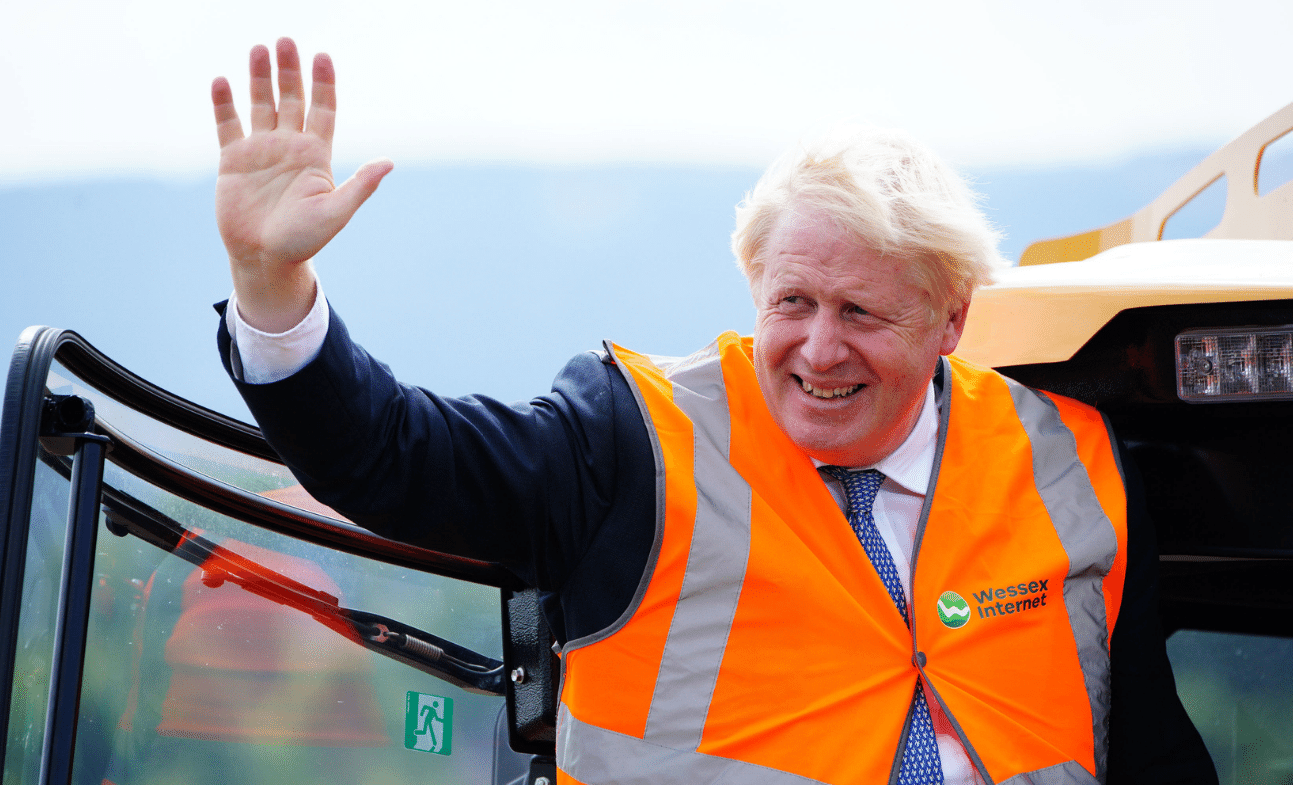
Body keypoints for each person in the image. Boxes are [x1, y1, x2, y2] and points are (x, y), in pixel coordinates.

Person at [211, 38, 1217, 785]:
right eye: (791, 302)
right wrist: (272, 287)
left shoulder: (1069, 462)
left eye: (861, 313)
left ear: (950, 319)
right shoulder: (629, 440)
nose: (818, 349)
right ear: (751, 287)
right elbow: (395, 459)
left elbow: (1150, 755)